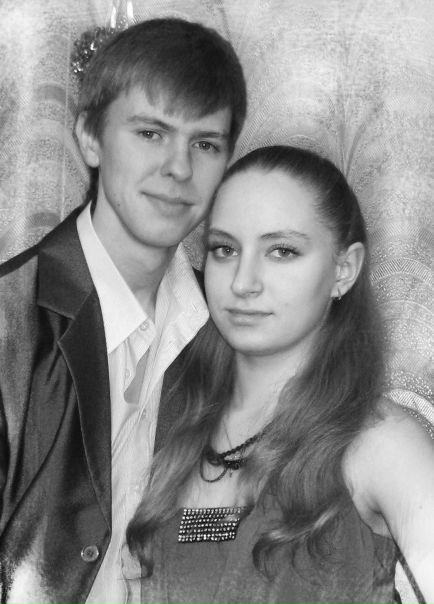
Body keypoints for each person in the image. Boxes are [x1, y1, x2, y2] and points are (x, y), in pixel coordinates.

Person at [0, 17, 246, 604]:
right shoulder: (9, 323)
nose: (179, 168)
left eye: (205, 144)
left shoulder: (229, 332)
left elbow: (218, 533)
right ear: (90, 137)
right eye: (151, 133)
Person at [126, 145, 434, 603]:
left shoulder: (379, 443)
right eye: (225, 249)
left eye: (282, 251)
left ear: (344, 270)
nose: (243, 282)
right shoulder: (162, 428)